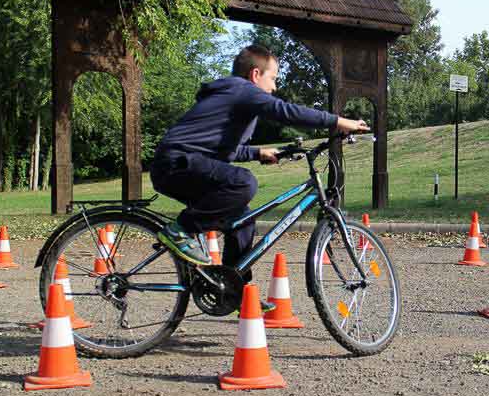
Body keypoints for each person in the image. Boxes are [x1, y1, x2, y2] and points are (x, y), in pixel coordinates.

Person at [150, 45, 369, 274]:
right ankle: (181, 230)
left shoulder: (235, 98)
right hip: (175, 163)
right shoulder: (242, 89)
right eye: (272, 78)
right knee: (243, 182)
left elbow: (224, 150)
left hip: (188, 164)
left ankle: (232, 286)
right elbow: (286, 112)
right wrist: (339, 121)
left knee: (243, 220)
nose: (274, 87)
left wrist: (257, 153)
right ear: (255, 74)